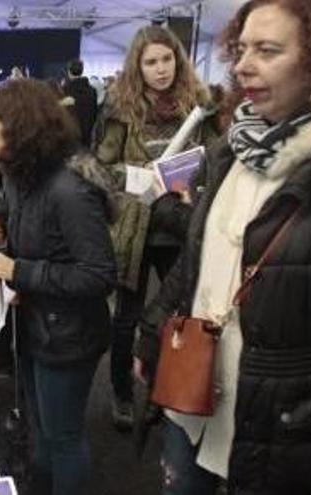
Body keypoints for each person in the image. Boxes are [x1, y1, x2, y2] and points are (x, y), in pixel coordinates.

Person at [134, 0, 311, 493]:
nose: (243, 65)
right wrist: (152, 334)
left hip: (281, 421)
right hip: (194, 389)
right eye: (241, 48)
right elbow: (197, 260)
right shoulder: (233, 148)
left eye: (267, 51)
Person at [0, 78, 117, 495]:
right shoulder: (24, 178)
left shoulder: (68, 189)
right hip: (41, 325)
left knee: (62, 438)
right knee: (42, 432)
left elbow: (98, 274)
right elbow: (35, 251)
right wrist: (2, 261)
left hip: (69, 335)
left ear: (19, 128)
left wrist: (20, 271)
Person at [93, 25, 217, 431]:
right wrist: (143, 177)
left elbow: (219, 158)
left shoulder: (199, 104)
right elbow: (102, 167)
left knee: (179, 314)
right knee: (126, 316)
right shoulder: (121, 108)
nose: (161, 69)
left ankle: (168, 393)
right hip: (136, 223)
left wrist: (195, 182)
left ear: (178, 60)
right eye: (151, 62)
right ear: (138, 66)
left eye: (167, 59)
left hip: (182, 223)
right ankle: (122, 394)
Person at [62, 59, 98, 147]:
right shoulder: (92, 91)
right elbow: (94, 113)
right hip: (88, 136)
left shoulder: (65, 91)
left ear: (69, 72)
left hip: (70, 138)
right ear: (82, 71)